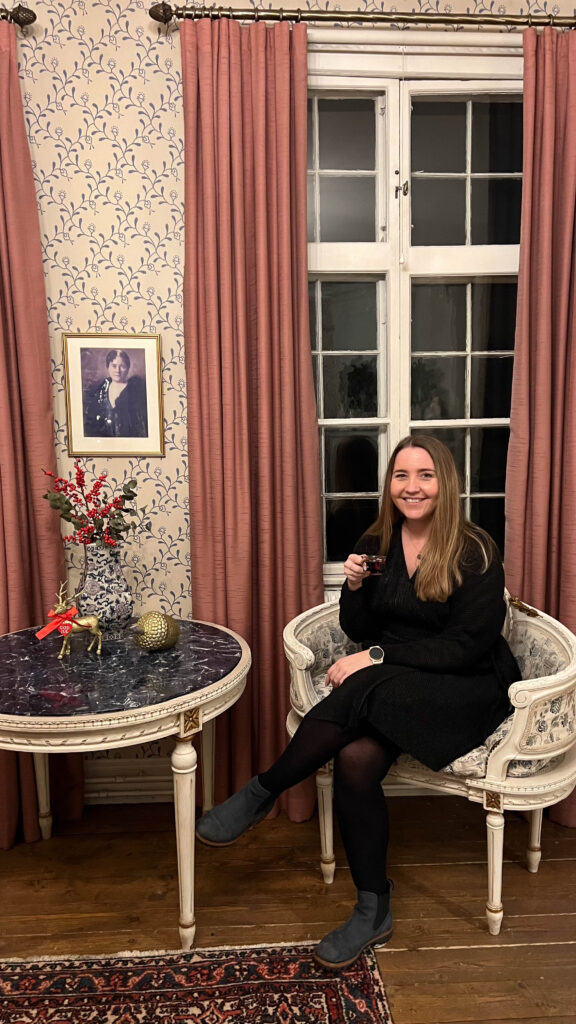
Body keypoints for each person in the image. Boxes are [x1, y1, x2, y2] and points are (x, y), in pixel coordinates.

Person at [195, 434, 520, 969]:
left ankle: (264, 789)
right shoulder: (379, 539)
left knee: (362, 680)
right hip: (400, 682)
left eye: (425, 476)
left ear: (446, 483)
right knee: (354, 758)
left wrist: (372, 657)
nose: (411, 488)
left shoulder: (474, 549)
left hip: (466, 683)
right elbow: (360, 625)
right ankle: (374, 908)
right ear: (389, 484)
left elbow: (465, 646)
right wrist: (352, 588)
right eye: (401, 476)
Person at [83, 349, 148, 438]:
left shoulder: (135, 391)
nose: (117, 370)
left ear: (128, 368)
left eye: (122, 366)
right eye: (114, 366)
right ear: (108, 367)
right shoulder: (101, 390)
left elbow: (141, 425)